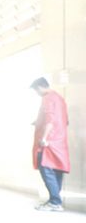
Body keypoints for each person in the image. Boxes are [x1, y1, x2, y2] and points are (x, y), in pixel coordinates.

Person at [31, 77, 69, 211]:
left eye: (36, 91)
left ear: (40, 87)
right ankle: (55, 200)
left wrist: (44, 138)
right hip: (60, 140)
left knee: (45, 169)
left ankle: (55, 202)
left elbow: (51, 120)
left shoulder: (47, 98)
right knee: (56, 170)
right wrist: (38, 121)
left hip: (49, 142)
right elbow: (64, 120)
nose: (37, 93)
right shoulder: (59, 98)